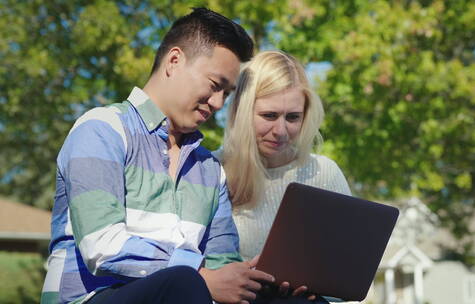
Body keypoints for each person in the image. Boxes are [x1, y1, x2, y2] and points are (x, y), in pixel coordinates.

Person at [41, 8, 276, 304]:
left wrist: (262, 284)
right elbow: (101, 246)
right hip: (89, 298)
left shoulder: (209, 169)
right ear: (174, 61)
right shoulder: (102, 128)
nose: (218, 103)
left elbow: (222, 269)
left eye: (227, 94)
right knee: (183, 282)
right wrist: (199, 275)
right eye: (215, 86)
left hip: (184, 293)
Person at [216, 51, 352, 303]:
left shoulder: (324, 173)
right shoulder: (211, 170)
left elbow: (346, 279)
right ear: (243, 112)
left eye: (293, 117)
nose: (280, 131)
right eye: (269, 116)